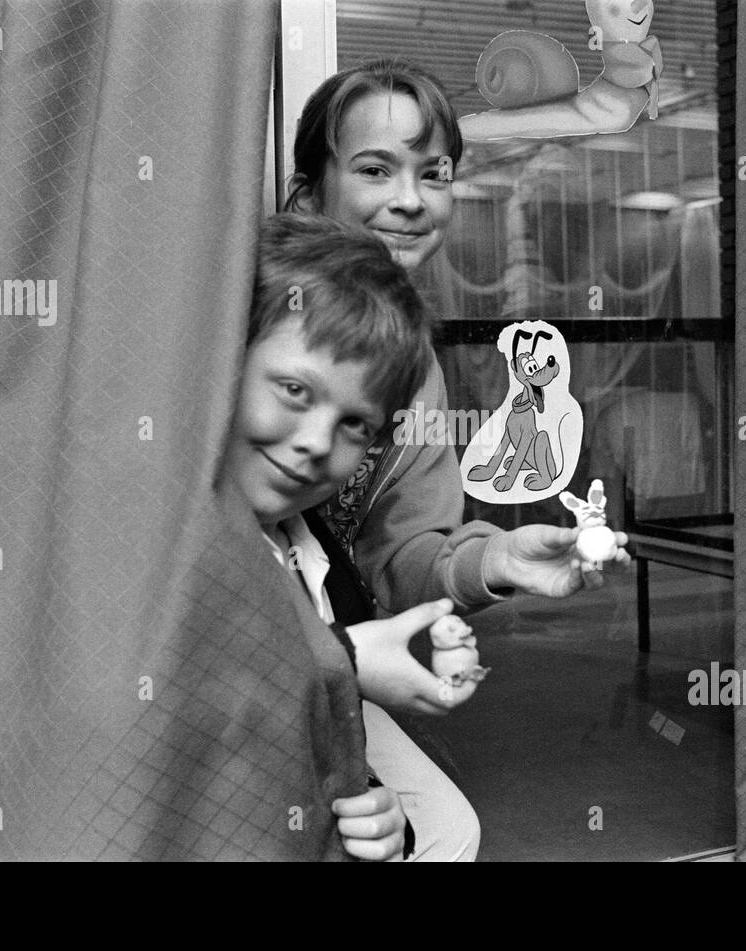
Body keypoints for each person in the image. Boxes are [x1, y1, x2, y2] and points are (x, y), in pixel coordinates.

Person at [284, 60, 630, 861]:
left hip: (324, 649)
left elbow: (403, 553)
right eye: (375, 169)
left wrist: (498, 557)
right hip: (238, 652)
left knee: (442, 832)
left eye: (433, 174)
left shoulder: (416, 365)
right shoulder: (259, 311)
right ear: (310, 195)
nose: (411, 200)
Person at [223, 212, 454, 860]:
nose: (317, 442)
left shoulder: (311, 558)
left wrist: (377, 810)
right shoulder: (168, 534)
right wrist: (343, 659)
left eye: (355, 423)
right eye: (295, 389)